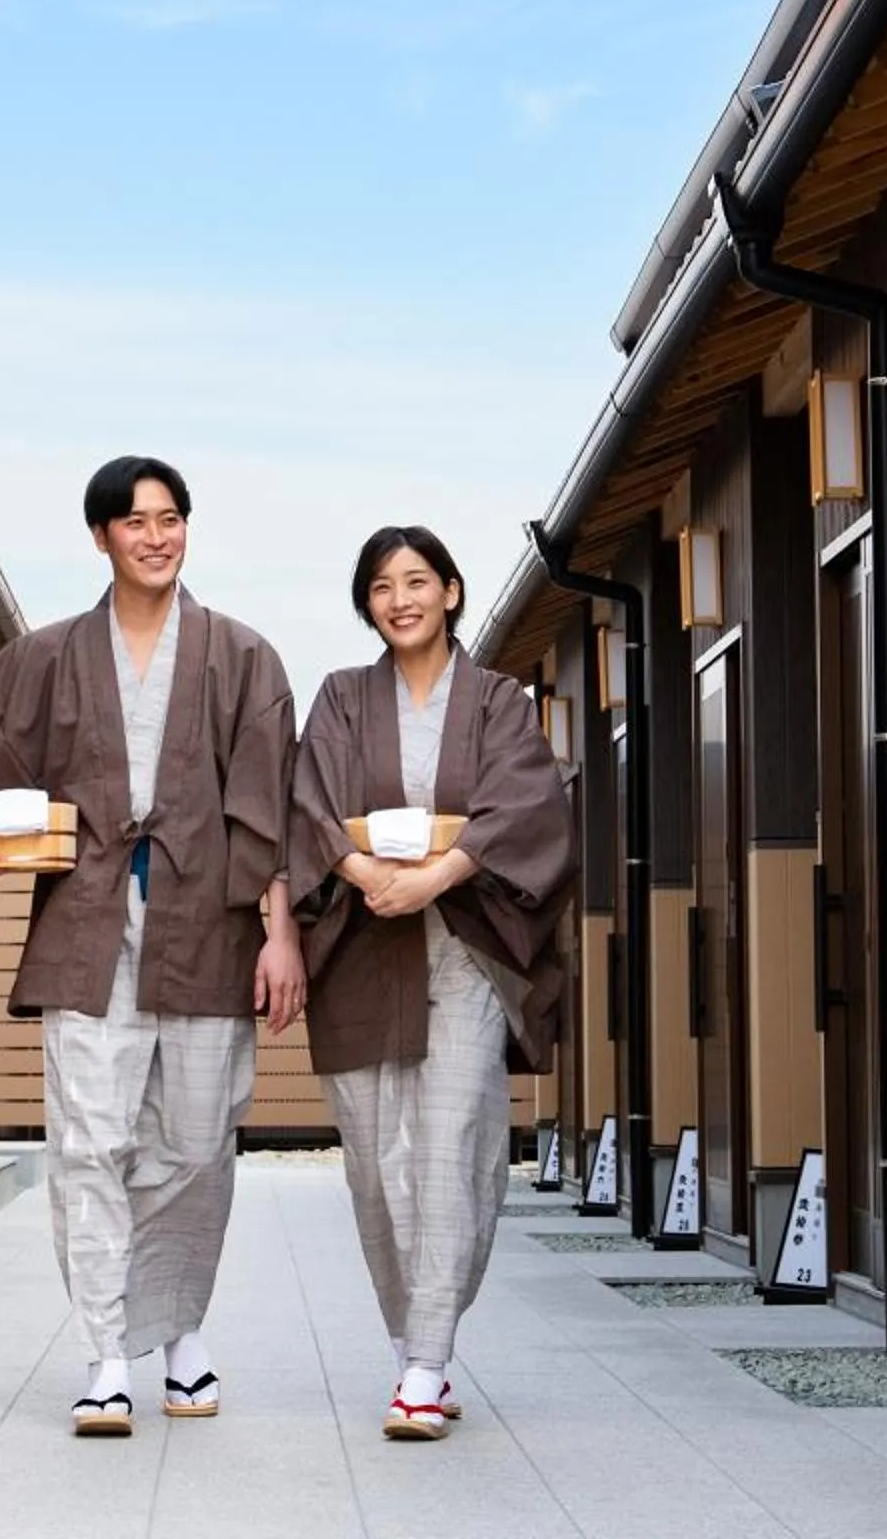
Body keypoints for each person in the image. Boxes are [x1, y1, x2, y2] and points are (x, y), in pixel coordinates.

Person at [0, 456, 304, 1436]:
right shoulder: (47, 655)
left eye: (171, 518)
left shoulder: (243, 656)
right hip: (88, 926)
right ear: (101, 536)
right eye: (135, 521)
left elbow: (271, 807)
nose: (156, 537)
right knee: (89, 1144)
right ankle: (105, 1355)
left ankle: (178, 1331)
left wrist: (281, 934)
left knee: (197, 1144)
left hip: (208, 929)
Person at [288, 524, 575, 1441]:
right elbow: (309, 803)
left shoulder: (497, 701)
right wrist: (365, 872)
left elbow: (525, 804)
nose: (400, 599)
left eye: (417, 581)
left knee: (454, 1145)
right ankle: (416, 1346)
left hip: (465, 943)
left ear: (451, 591)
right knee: (376, 1166)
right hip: (362, 942)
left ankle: (424, 1365)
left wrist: (436, 877)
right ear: (366, 605)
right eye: (381, 586)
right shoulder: (342, 697)